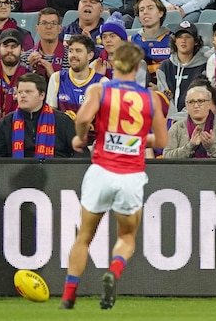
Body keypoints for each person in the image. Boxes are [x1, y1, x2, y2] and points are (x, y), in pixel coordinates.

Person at [60, 41, 167, 310]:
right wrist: (137, 139)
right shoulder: (150, 97)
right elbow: (162, 141)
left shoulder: (100, 89)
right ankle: (113, 272)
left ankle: (69, 295)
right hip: (130, 174)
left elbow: (83, 116)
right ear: (138, 66)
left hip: (101, 170)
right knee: (127, 236)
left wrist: (80, 138)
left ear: (112, 62)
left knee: (84, 235)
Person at [0, 72, 80, 158]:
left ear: (42, 95)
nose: (22, 95)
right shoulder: (6, 123)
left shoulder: (63, 121)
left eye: (28, 92)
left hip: (55, 174)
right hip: (16, 174)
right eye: (20, 92)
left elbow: (81, 153)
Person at [163, 85, 216, 159]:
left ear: (209, 104)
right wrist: (190, 146)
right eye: (191, 102)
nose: (196, 105)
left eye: (200, 101)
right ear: (186, 105)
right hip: (184, 170)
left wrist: (211, 147)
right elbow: (166, 157)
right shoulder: (177, 127)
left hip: (215, 170)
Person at [46, 34, 105, 123]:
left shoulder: (102, 83)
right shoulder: (57, 78)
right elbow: (50, 116)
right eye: (70, 51)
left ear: (90, 55)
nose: (73, 55)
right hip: (63, 136)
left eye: (78, 51)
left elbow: (106, 120)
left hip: (91, 136)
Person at [156, 22, 212, 112]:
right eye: (180, 37)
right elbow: (164, 99)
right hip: (169, 120)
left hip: (194, 118)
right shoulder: (164, 67)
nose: (183, 40)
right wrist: (172, 120)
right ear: (175, 41)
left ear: (196, 41)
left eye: (188, 37)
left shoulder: (204, 67)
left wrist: (179, 119)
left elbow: (198, 100)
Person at [130, 0, 172, 82]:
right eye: (141, 10)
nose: (145, 12)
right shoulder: (130, 41)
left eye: (150, 8)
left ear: (161, 13)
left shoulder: (174, 39)